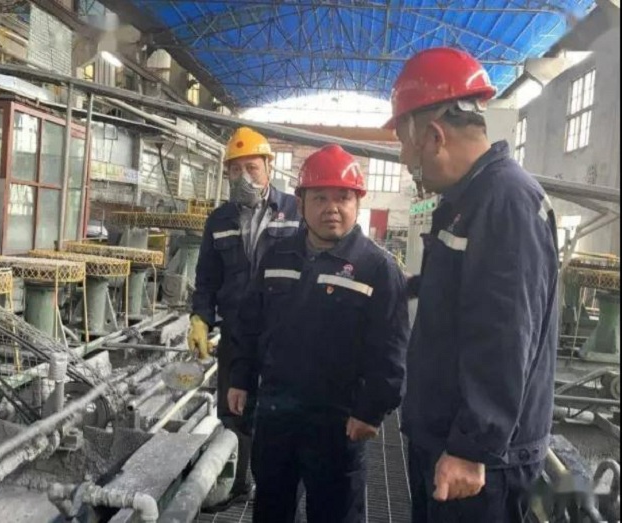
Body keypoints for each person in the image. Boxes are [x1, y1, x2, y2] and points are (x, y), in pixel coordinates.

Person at [384, 47, 559, 523]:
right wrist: (413, 285)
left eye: (404, 144)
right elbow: (471, 294)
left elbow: (504, 333)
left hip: (479, 464)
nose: (405, 159)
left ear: (434, 136)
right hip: (448, 439)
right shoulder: (470, 200)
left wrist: (471, 448)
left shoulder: (505, 202)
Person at [227, 144, 409, 523]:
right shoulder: (277, 256)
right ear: (301, 202)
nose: (332, 208)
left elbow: (391, 352)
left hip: (339, 423)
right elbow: (249, 323)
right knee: (271, 509)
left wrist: (370, 412)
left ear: (358, 202)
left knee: (333, 513)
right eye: (320, 197)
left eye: (343, 197)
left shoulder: (376, 268)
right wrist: (240, 378)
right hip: (276, 415)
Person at [189, 126, 301, 510]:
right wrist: (200, 318)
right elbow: (207, 280)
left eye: (251, 168)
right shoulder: (219, 220)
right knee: (235, 412)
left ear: (269, 166)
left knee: (280, 413)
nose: (243, 178)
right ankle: (238, 484)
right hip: (237, 334)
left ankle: (277, 490)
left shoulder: (297, 212)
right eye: (235, 170)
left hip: (283, 336)